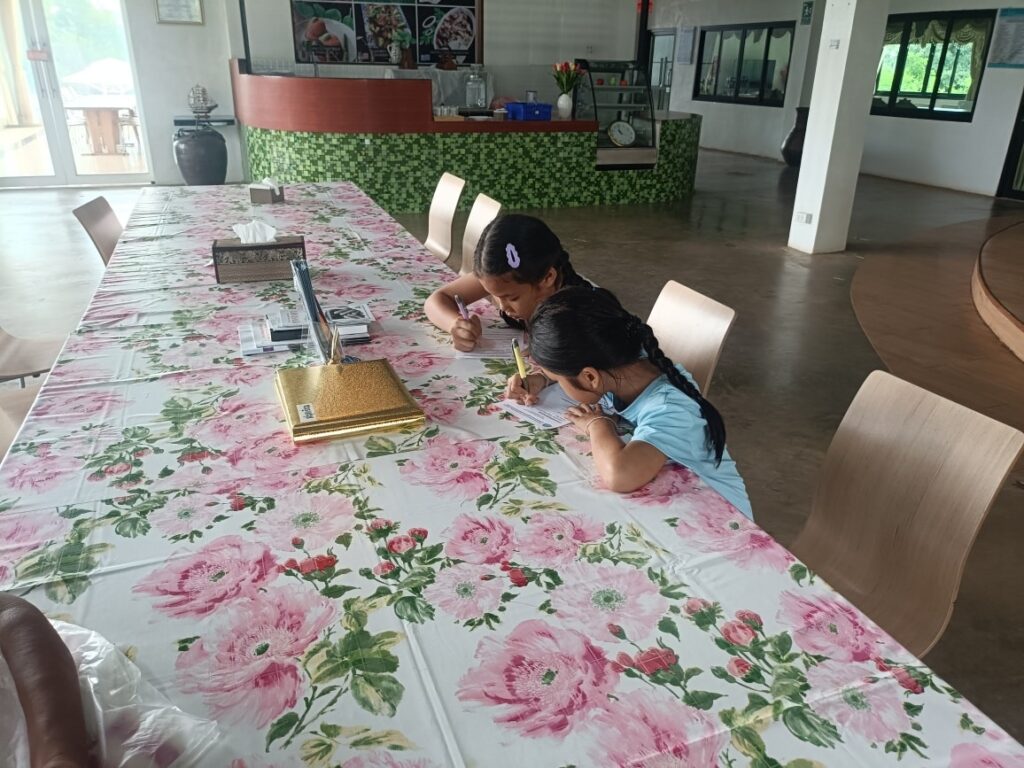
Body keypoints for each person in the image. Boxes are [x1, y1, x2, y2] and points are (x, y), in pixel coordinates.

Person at [508, 286, 753, 518]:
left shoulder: (669, 407)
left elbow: (620, 476)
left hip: (720, 518)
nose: (557, 382)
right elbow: (578, 364)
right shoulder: (623, 360)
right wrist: (541, 379)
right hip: (676, 498)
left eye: (558, 378)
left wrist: (598, 424)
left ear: (590, 377)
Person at [424, 214, 587, 351]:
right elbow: (438, 298)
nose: (502, 307)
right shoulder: (503, 278)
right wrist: (454, 324)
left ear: (547, 278)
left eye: (512, 298)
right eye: (494, 295)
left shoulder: (577, 316)